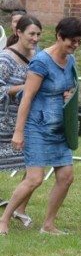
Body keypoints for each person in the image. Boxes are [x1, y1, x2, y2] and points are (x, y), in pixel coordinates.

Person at [0, 17, 81, 235]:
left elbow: (69, 87)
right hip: (36, 127)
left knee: (66, 177)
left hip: (59, 128)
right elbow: (27, 97)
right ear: (59, 36)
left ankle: (48, 225)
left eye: (79, 42)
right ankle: (4, 219)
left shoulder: (71, 61)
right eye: (72, 41)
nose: (75, 46)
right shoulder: (41, 62)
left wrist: (68, 94)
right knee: (34, 179)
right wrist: (19, 132)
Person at [0, 15, 43, 230]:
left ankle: (20, 208)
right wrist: (26, 87)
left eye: (38, 34)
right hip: (3, 121)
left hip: (27, 121)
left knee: (33, 168)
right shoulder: (5, 59)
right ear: (19, 33)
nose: (35, 38)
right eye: (31, 34)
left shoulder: (39, 57)